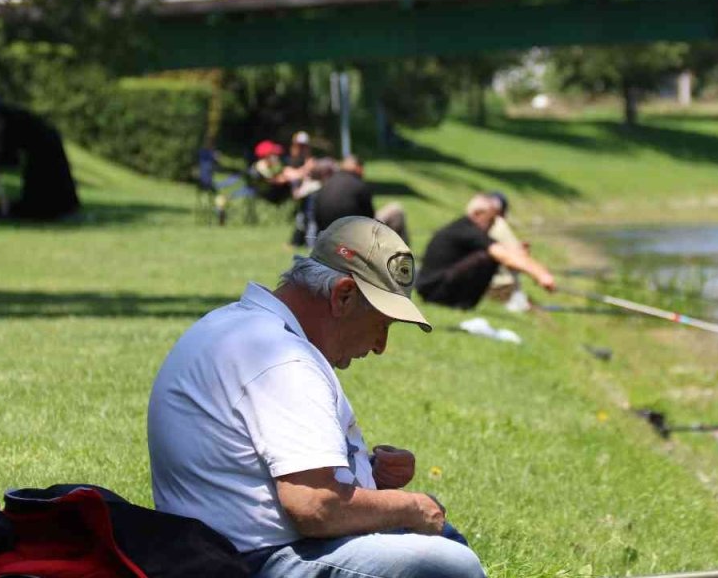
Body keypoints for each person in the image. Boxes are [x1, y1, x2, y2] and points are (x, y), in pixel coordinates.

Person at [147, 217, 485, 578]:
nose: (380, 346)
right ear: (343, 295)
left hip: (212, 549)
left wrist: (368, 473)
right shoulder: (283, 361)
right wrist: (412, 506)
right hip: (253, 562)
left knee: (440, 543)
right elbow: (315, 506)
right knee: (449, 565)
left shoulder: (242, 328)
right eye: (382, 325)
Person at [416, 194, 557, 309]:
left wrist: (518, 254)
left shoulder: (465, 228)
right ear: (478, 214)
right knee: (488, 257)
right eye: (491, 219)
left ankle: (463, 302)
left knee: (490, 255)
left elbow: (504, 251)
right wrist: (540, 274)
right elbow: (503, 255)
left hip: (432, 288)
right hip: (433, 291)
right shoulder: (468, 231)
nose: (493, 224)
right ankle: (461, 303)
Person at [313, 156, 375, 233]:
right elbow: (369, 217)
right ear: (359, 168)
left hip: (326, 233)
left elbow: (317, 215)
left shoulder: (327, 183)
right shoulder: (359, 185)